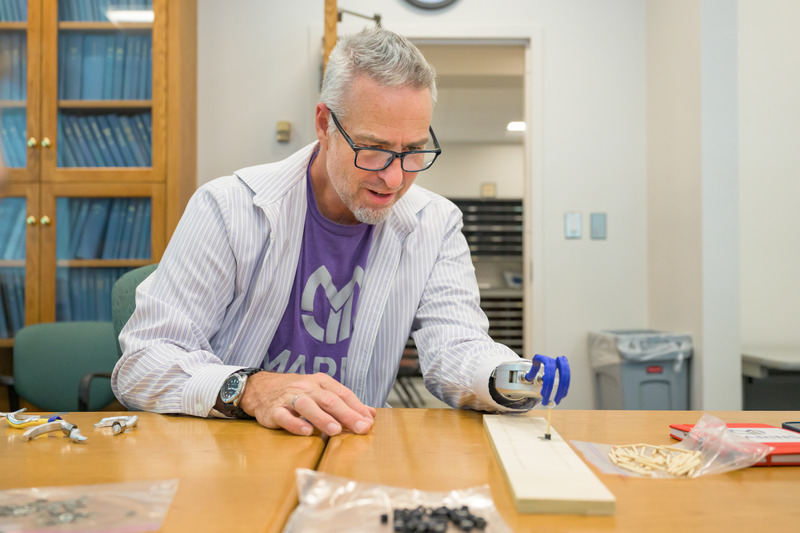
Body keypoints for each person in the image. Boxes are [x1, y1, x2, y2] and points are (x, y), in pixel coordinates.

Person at [112, 26, 536, 437]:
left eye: (412, 151)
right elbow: (143, 362)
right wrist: (252, 388)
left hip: (352, 449)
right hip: (235, 448)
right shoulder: (229, 208)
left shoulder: (435, 224)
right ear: (324, 124)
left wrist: (509, 377)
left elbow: (456, 344)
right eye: (374, 150)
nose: (393, 179)